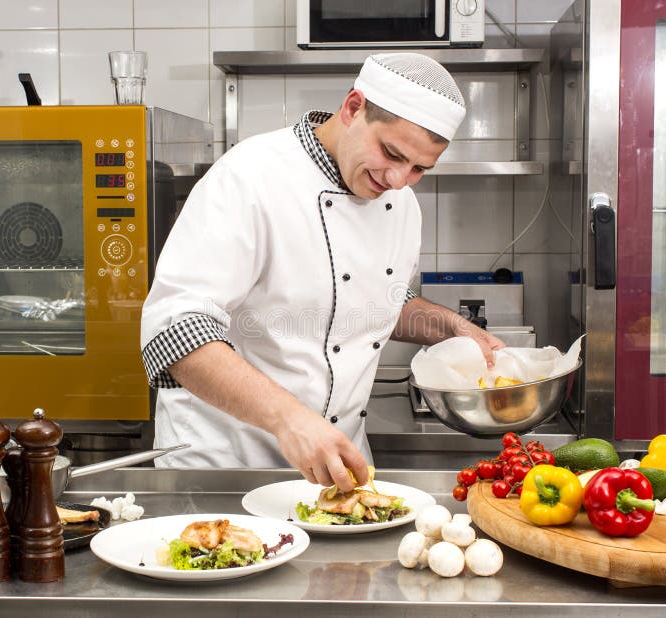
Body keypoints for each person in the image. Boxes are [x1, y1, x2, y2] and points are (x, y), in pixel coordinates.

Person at [141, 52, 505, 492]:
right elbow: (175, 328)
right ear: (353, 107)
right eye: (392, 153)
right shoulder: (249, 176)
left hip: (340, 472)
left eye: (419, 169)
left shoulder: (402, 204)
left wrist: (452, 327)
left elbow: (374, 303)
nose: (397, 178)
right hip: (227, 467)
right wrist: (289, 419)